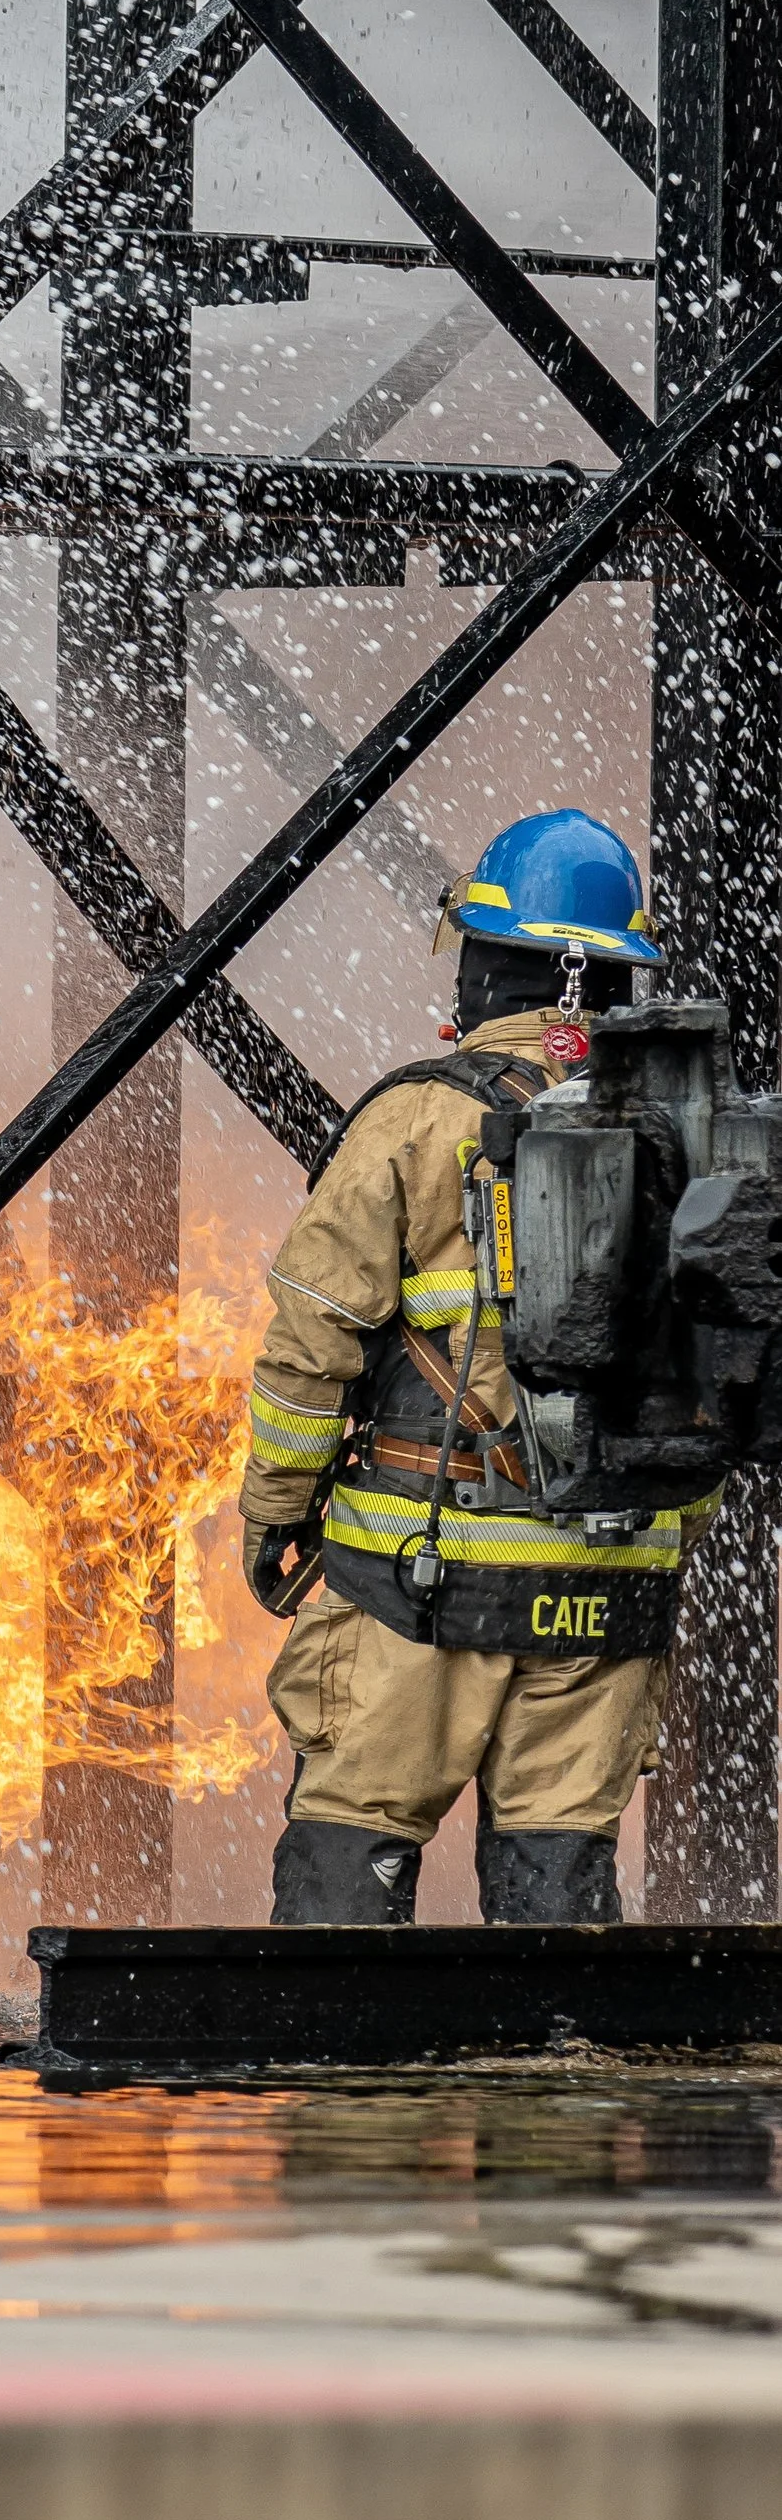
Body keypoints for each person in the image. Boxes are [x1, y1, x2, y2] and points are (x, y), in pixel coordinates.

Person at [239, 808, 719, 1927]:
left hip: (421, 1573)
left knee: (345, 1881)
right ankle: (557, 2085)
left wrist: (276, 1515)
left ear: (489, 968)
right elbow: (726, 1371)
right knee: (558, 1910)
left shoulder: (414, 1120)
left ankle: (350, 2096)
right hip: (609, 1590)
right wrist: (652, 1533)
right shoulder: (693, 1137)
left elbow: (311, 1346)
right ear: (609, 981)